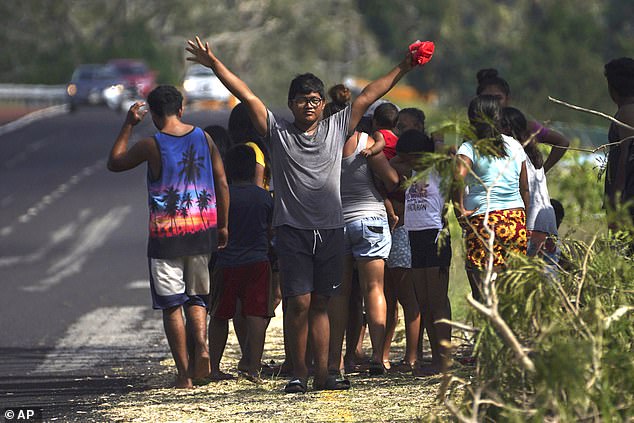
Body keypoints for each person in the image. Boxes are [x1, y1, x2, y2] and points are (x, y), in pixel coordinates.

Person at [185, 35, 427, 392]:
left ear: (322, 103)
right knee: (297, 304)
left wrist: (406, 66)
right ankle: (298, 373)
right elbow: (249, 96)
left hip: (331, 230)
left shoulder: (336, 128)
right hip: (292, 231)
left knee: (323, 303)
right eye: (302, 100)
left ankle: (327, 372)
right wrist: (214, 64)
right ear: (291, 104)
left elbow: (368, 95)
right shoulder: (278, 133)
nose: (309, 106)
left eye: (315, 100)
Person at [107, 85, 229, 388]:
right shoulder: (205, 138)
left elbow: (115, 162)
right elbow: (222, 183)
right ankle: (201, 346)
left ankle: (185, 376)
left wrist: (128, 124)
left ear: (155, 115)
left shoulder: (152, 144)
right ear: (182, 108)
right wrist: (223, 225)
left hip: (167, 236)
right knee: (198, 298)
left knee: (172, 304)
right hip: (202, 231)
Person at [325, 99, 399, 383]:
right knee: (374, 289)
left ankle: (336, 360)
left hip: (337, 223)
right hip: (370, 221)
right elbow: (391, 179)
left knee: (340, 295)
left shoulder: (322, 148)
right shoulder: (365, 142)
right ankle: (379, 357)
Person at [453, 95, 530, 301]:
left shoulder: (469, 147)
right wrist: (525, 220)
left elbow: (457, 179)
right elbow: (525, 187)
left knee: (484, 293)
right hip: (515, 222)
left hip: (484, 223)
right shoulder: (514, 145)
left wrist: (459, 209)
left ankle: (487, 331)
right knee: (510, 290)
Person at [209, 144, 274, 383]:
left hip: (226, 262)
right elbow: (270, 229)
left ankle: (213, 368)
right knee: (257, 314)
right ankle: (253, 367)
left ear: (227, 168)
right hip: (258, 262)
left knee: (219, 314)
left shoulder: (223, 196)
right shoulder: (263, 197)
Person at [392, 129, 452, 375]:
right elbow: (393, 161)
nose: (407, 162)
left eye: (411, 157)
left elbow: (440, 154)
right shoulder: (412, 171)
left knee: (437, 301)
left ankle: (445, 359)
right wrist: (409, 156)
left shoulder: (436, 171)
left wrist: (436, 141)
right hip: (415, 237)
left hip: (435, 236)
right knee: (424, 302)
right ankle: (435, 357)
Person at [476, 68, 570, 173]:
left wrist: (543, 171)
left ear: (507, 99)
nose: (493, 103)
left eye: (498, 98)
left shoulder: (524, 126)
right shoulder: (475, 129)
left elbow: (562, 142)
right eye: (487, 98)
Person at [501, 107, 558, 260]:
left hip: (531, 222)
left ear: (506, 129)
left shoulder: (512, 153)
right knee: (545, 276)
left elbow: (521, 189)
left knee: (523, 276)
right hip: (547, 222)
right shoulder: (532, 153)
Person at [603, 57, 634, 231]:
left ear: (613, 88)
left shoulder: (627, 112)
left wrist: (616, 200)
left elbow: (626, 156)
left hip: (627, 199)